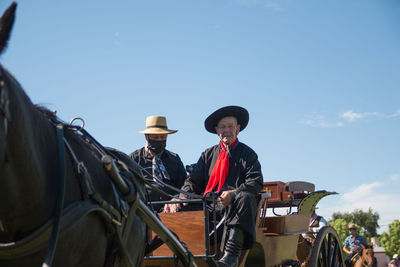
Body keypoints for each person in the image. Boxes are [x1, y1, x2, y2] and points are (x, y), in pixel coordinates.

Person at [164, 105, 264, 267]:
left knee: (244, 197)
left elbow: (256, 181)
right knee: (174, 207)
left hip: (233, 208)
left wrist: (234, 194)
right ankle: (172, 253)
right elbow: (192, 182)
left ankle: (231, 256)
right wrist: (180, 197)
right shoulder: (207, 155)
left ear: (238, 129)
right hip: (208, 207)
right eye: (223, 127)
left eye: (230, 126)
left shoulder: (248, 154)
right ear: (217, 130)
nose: (227, 130)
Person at [130, 115, 187, 212]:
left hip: (173, 212)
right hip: (143, 211)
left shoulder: (175, 159)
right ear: (146, 137)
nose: (160, 140)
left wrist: (177, 199)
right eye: (155, 137)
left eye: (163, 137)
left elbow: (184, 185)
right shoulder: (134, 159)